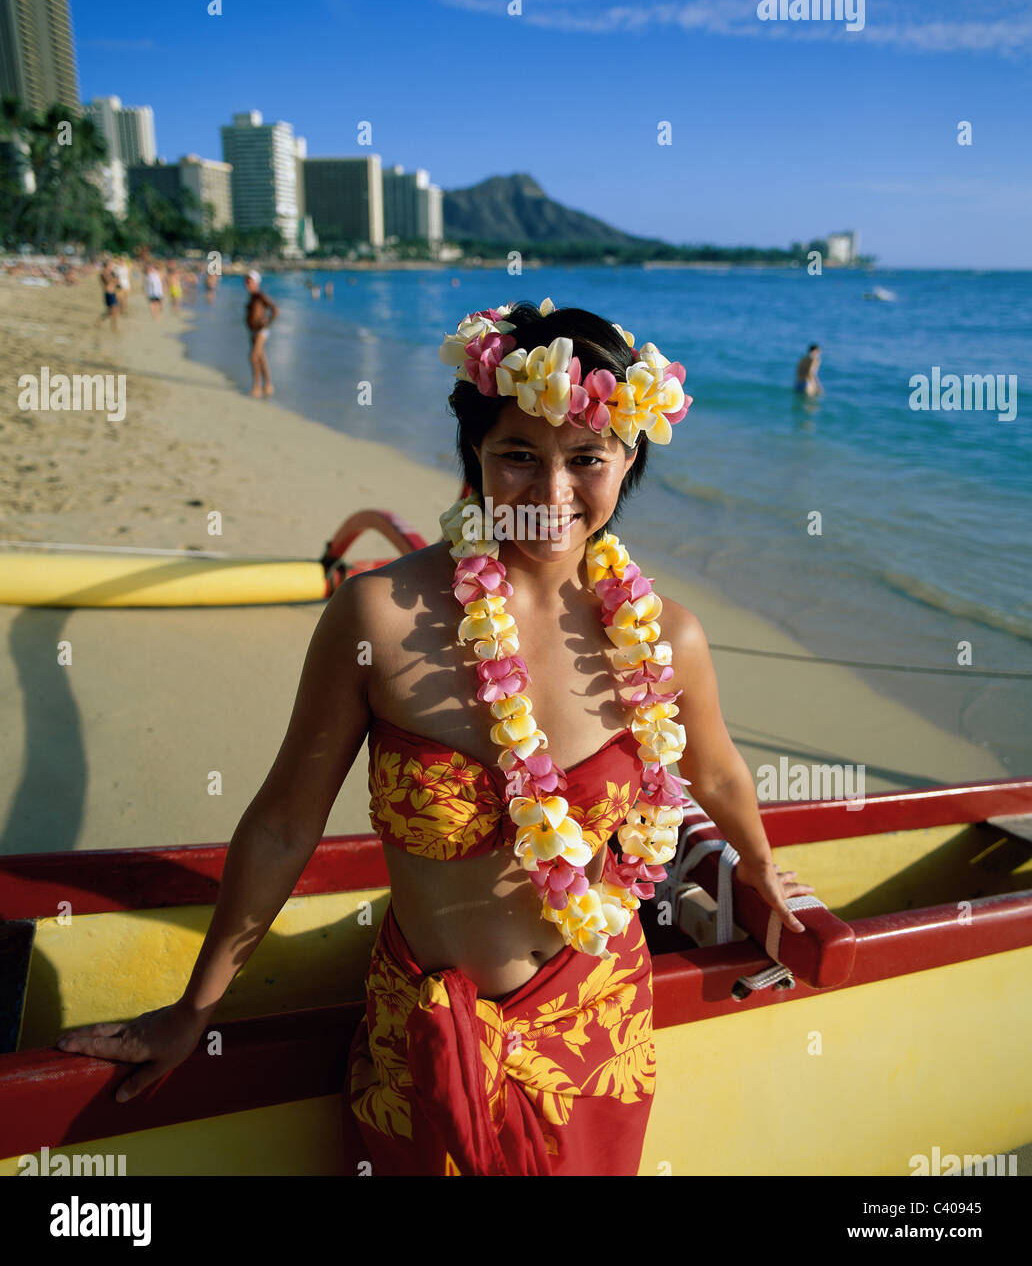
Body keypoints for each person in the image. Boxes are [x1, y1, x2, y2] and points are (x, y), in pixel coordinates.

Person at [53, 298, 813, 1176]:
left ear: (629, 457)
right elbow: (284, 824)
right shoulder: (379, 613)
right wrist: (197, 1007)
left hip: (596, 1033)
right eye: (518, 455)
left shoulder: (665, 637)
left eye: (586, 460)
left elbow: (715, 777)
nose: (552, 492)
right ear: (475, 456)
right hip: (419, 1029)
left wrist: (757, 869)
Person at [243, 269, 279, 398]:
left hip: (261, 331)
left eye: (249, 281)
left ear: (256, 282)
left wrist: (268, 323)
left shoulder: (260, 295)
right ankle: (268, 385)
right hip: (253, 331)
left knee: (253, 357)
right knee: (261, 358)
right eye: (246, 281)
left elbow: (275, 309)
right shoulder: (252, 297)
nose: (247, 283)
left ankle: (257, 387)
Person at [94, 257, 119, 333]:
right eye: (110, 265)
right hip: (108, 293)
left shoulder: (111, 272)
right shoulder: (104, 272)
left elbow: (116, 282)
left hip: (113, 292)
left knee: (111, 311)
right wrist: (114, 279)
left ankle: (99, 320)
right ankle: (114, 327)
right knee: (113, 310)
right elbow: (109, 281)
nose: (111, 266)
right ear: (107, 265)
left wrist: (114, 279)